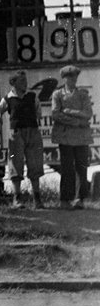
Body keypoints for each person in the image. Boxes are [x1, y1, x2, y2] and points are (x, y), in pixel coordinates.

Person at [0, 70, 44, 209]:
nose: (25, 83)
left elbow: (38, 113)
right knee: (15, 164)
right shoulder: (8, 98)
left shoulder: (32, 96)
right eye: (21, 81)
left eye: (25, 80)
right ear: (13, 83)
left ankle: (37, 199)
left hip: (32, 132)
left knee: (35, 164)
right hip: (15, 135)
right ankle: (17, 199)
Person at [50, 65, 93, 209]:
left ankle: (80, 199)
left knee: (82, 167)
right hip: (65, 137)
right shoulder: (57, 94)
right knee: (67, 168)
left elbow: (88, 113)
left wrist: (71, 111)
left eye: (74, 76)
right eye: (69, 77)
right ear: (64, 78)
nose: (73, 79)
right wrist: (76, 121)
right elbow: (56, 114)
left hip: (81, 137)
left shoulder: (83, 94)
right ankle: (65, 200)